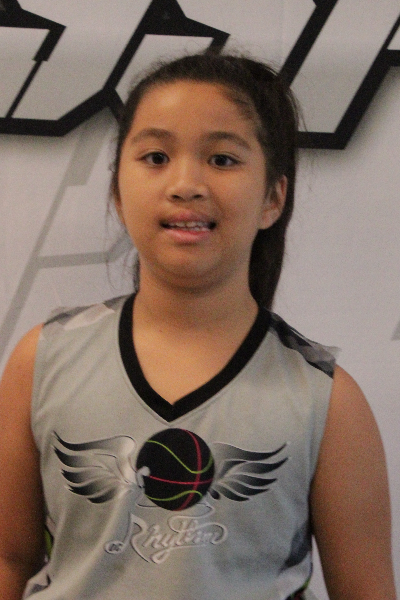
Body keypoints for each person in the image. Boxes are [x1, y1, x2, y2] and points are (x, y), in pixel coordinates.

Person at [0, 52, 395, 600]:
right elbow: (9, 558)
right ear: (117, 191)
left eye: (222, 159)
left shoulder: (325, 400)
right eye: (156, 156)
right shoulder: (43, 359)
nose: (185, 184)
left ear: (272, 198)